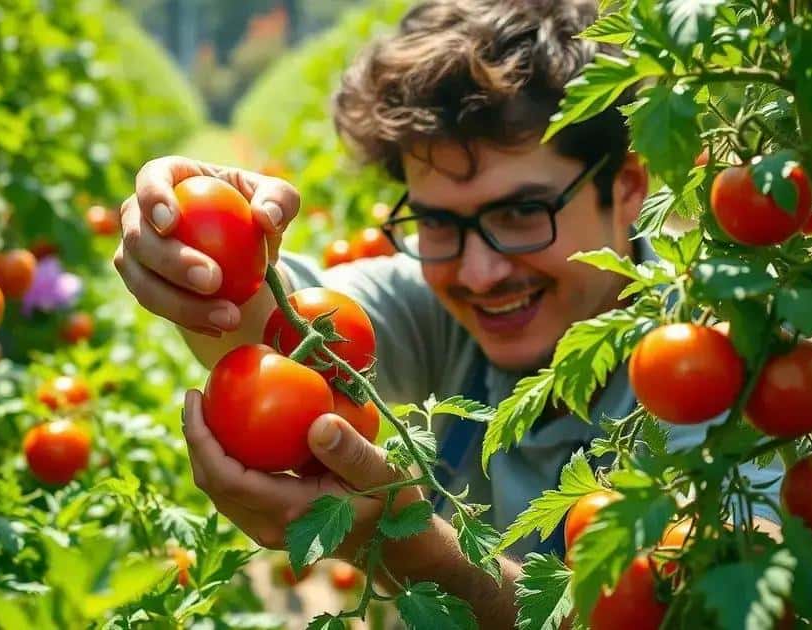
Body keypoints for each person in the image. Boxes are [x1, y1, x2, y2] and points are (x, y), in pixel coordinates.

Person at [115, 1, 778, 626]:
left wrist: (424, 557)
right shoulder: (431, 308)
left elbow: (706, 613)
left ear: (627, 188)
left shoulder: (726, 366)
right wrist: (194, 248)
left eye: (522, 212)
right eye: (437, 222)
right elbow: (276, 337)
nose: (478, 273)